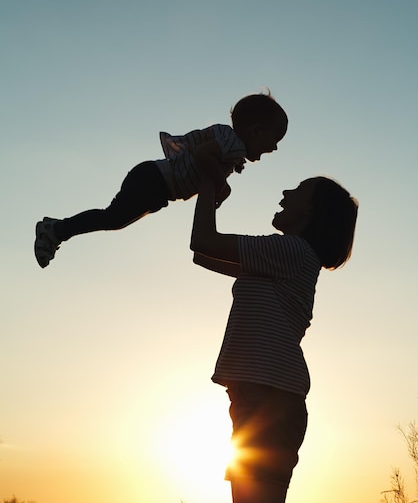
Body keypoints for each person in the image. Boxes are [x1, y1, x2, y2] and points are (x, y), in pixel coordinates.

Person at [190, 172, 358, 503]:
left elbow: (203, 241)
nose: (284, 190)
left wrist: (208, 180)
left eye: (296, 189)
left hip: (269, 398)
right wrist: (210, 198)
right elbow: (202, 254)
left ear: (310, 211)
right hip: (262, 396)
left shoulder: (291, 251)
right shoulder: (279, 258)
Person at [34, 91, 288, 268]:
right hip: (155, 180)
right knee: (112, 218)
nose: (274, 149)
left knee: (113, 217)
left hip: (154, 181)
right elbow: (202, 155)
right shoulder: (234, 146)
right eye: (274, 141)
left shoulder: (229, 142)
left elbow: (207, 156)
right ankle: (57, 229)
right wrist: (221, 185)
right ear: (256, 131)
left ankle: (57, 230)